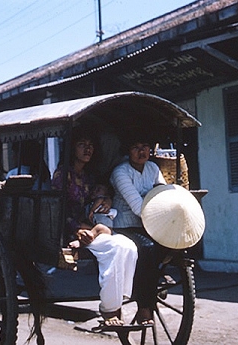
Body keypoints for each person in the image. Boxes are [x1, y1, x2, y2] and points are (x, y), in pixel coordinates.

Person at [51, 130, 137, 327]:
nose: (87, 148)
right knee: (114, 250)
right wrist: (75, 230)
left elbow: (100, 194)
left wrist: (104, 199)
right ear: (72, 148)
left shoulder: (89, 176)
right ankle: (109, 309)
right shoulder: (62, 174)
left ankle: (119, 297)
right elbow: (57, 209)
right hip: (69, 231)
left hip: (91, 229)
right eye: (82, 143)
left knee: (129, 246)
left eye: (90, 144)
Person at [109, 137, 168, 325]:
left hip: (148, 225)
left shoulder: (152, 168)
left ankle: (154, 276)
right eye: (136, 147)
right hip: (124, 226)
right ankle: (144, 306)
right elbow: (137, 207)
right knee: (148, 247)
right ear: (128, 151)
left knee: (174, 242)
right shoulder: (121, 172)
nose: (141, 151)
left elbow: (164, 194)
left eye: (145, 146)